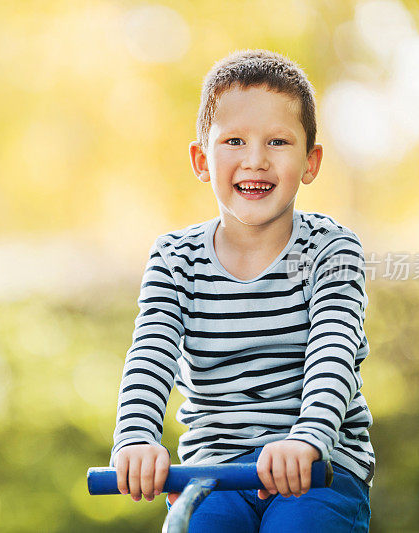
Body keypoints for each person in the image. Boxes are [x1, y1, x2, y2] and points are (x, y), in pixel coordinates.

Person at [110, 49, 374, 532]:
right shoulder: (175, 258)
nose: (256, 160)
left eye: (278, 141)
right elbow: (151, 354)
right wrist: (136, 437)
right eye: (234, 140)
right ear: (201, 159)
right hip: (215, 469)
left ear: (311, 162)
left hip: (318, 468)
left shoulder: (332, 250)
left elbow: (334, 351)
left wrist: (309, 439)